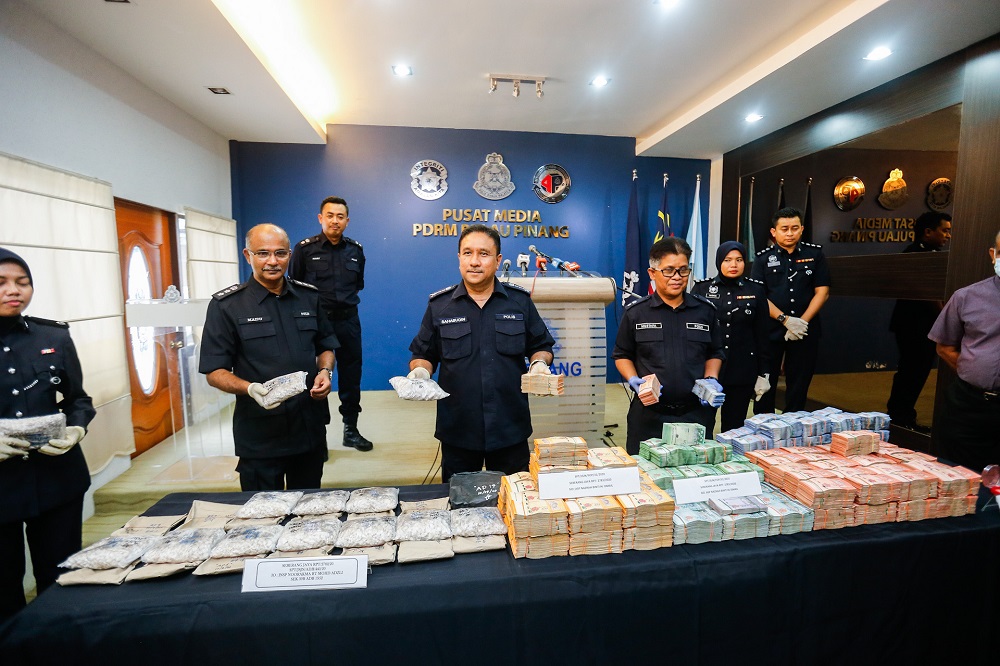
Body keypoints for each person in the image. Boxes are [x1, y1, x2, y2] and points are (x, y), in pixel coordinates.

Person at [407, 224, 555, 482]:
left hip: (510, 426)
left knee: (516, 501)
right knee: (460, 504)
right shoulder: (440, 306)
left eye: (484, 254)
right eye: (467, 253)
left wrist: (539, 364)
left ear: (497, 261)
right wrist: (420, 371)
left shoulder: (519, 302)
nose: (474, 262)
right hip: (459, 429)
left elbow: (540, 346)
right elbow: (423, 354)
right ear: (459, 258)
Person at [200, 224, 339, 491]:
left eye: (281, 253)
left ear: (290, 255)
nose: (273, 262)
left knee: (308, 511)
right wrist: (250, 389)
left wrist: (325, 372)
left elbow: (325, 346)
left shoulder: (309, 297)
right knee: (261, 516)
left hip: (307, 427)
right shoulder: (227, 306)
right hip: (260, 433)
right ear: (247, 255)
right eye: (263, 253)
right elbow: (214, 371)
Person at [0, 248, 95, 622]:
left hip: (57, 479)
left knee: (60, 581)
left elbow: (78, 399)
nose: (14, 291)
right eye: (2, 283)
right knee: (4, 588)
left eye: (23, 283)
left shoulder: (52, 335)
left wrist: (76, 427)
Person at [614, 237, 725, 454]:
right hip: (649, 414)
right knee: (646, 478)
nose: (677, 277)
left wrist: (712, 379)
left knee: (693, 475)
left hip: (695, 413)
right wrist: (633, 379)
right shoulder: (636, 312)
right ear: (652, 273)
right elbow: (622, 354)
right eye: (669, 271)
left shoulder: (705, 311)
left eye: (683, 270)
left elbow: (715, 351)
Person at [290, 196, 372, 452]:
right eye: (330, 215)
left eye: (340, 216)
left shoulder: (355, 250)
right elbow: (295, 287)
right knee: (316, 376)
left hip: (348, 320)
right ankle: (318, 436)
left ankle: (351, 429)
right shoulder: (305, 250)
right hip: (316, 322)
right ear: (320, 218)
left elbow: (358, 284)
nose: (335, 221)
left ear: (347, 221)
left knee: (351, 375)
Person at [927, 230, 1000, 473]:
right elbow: (944, 346)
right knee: (960, 474)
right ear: (993, 255)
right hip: (969, 404)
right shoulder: (967, 297)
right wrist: (974, 371)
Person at [751, 207, 831, 414]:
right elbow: (759, 297)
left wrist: (801, 322)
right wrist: (786, 320)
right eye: (784, 229)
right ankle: (763, 431)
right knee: (765, 383)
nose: (789, 233)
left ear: (802, 229)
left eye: (794, 228)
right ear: (773, 232)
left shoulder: (815, 255)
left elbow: (822, 291)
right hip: (771, 329)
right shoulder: (762, 259)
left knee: (799, 384)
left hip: (805, 329)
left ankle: (793, 432)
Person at [692, 241, 771, 432]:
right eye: (727, 260)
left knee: (734, 428)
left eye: (739, 260)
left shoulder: (755, 290)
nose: (733, 265)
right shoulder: (702, 289)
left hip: (742, 370)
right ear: (719, 262)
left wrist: (764, 373)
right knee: (702, 426)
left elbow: (762, 334)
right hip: (707, 371)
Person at [886, 212, 952, 432]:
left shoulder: (934, 254)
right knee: (911, 372)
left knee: (918, 372)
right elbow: (925, 292)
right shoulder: (915, 254)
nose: (948, 235)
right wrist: (944, 316)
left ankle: (904, 416)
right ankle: (899, 418)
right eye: (944, 230)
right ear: (928, 232)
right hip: (913, 325)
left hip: (925, 325)